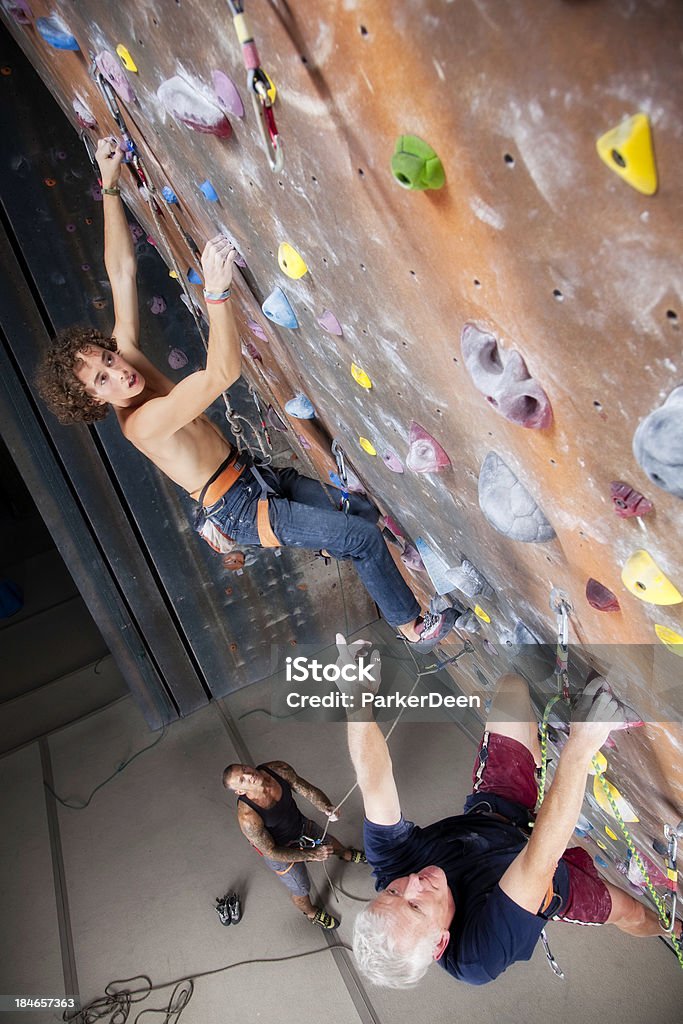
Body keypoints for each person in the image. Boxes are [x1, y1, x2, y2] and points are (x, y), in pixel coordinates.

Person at [36, 135, 457, 652]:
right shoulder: (139, 424)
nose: (119, 370)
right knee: (361, 539)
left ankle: (331, 541)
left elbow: (119, 272)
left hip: (250, 473)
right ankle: (414, 627)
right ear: (94, 402)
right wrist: (216, 291)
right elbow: (220, 375)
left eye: (108, 358)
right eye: (103, 379)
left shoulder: (128, 361)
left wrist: (108, 185)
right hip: (239, 507)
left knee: (363, 515)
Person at [334, 637, 675, 987]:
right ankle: (676, 930)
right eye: (416, 907)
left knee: (510, 691)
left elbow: (373, 781)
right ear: (440, 943)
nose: (413, 884)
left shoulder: (393, 864)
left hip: (493, 818)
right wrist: (582, 745)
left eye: (392, 892)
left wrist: (357, 700)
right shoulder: (479, 955)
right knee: (629, 912)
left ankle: (545, 743)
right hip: (547, 883)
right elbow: (540, 860)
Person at [223, 760, 366, 929]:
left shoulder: (278, 769)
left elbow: (307, 789)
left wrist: (326, 807)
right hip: (280, 851)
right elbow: (271, 851)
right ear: (240, 791)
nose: (249, 775)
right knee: (301, 889)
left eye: (245, 769)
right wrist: (311, 855)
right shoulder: (247, 817)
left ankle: (345, 854)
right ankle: (311, 913)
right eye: (242, 780)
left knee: (330, 842)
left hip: (301, 826)